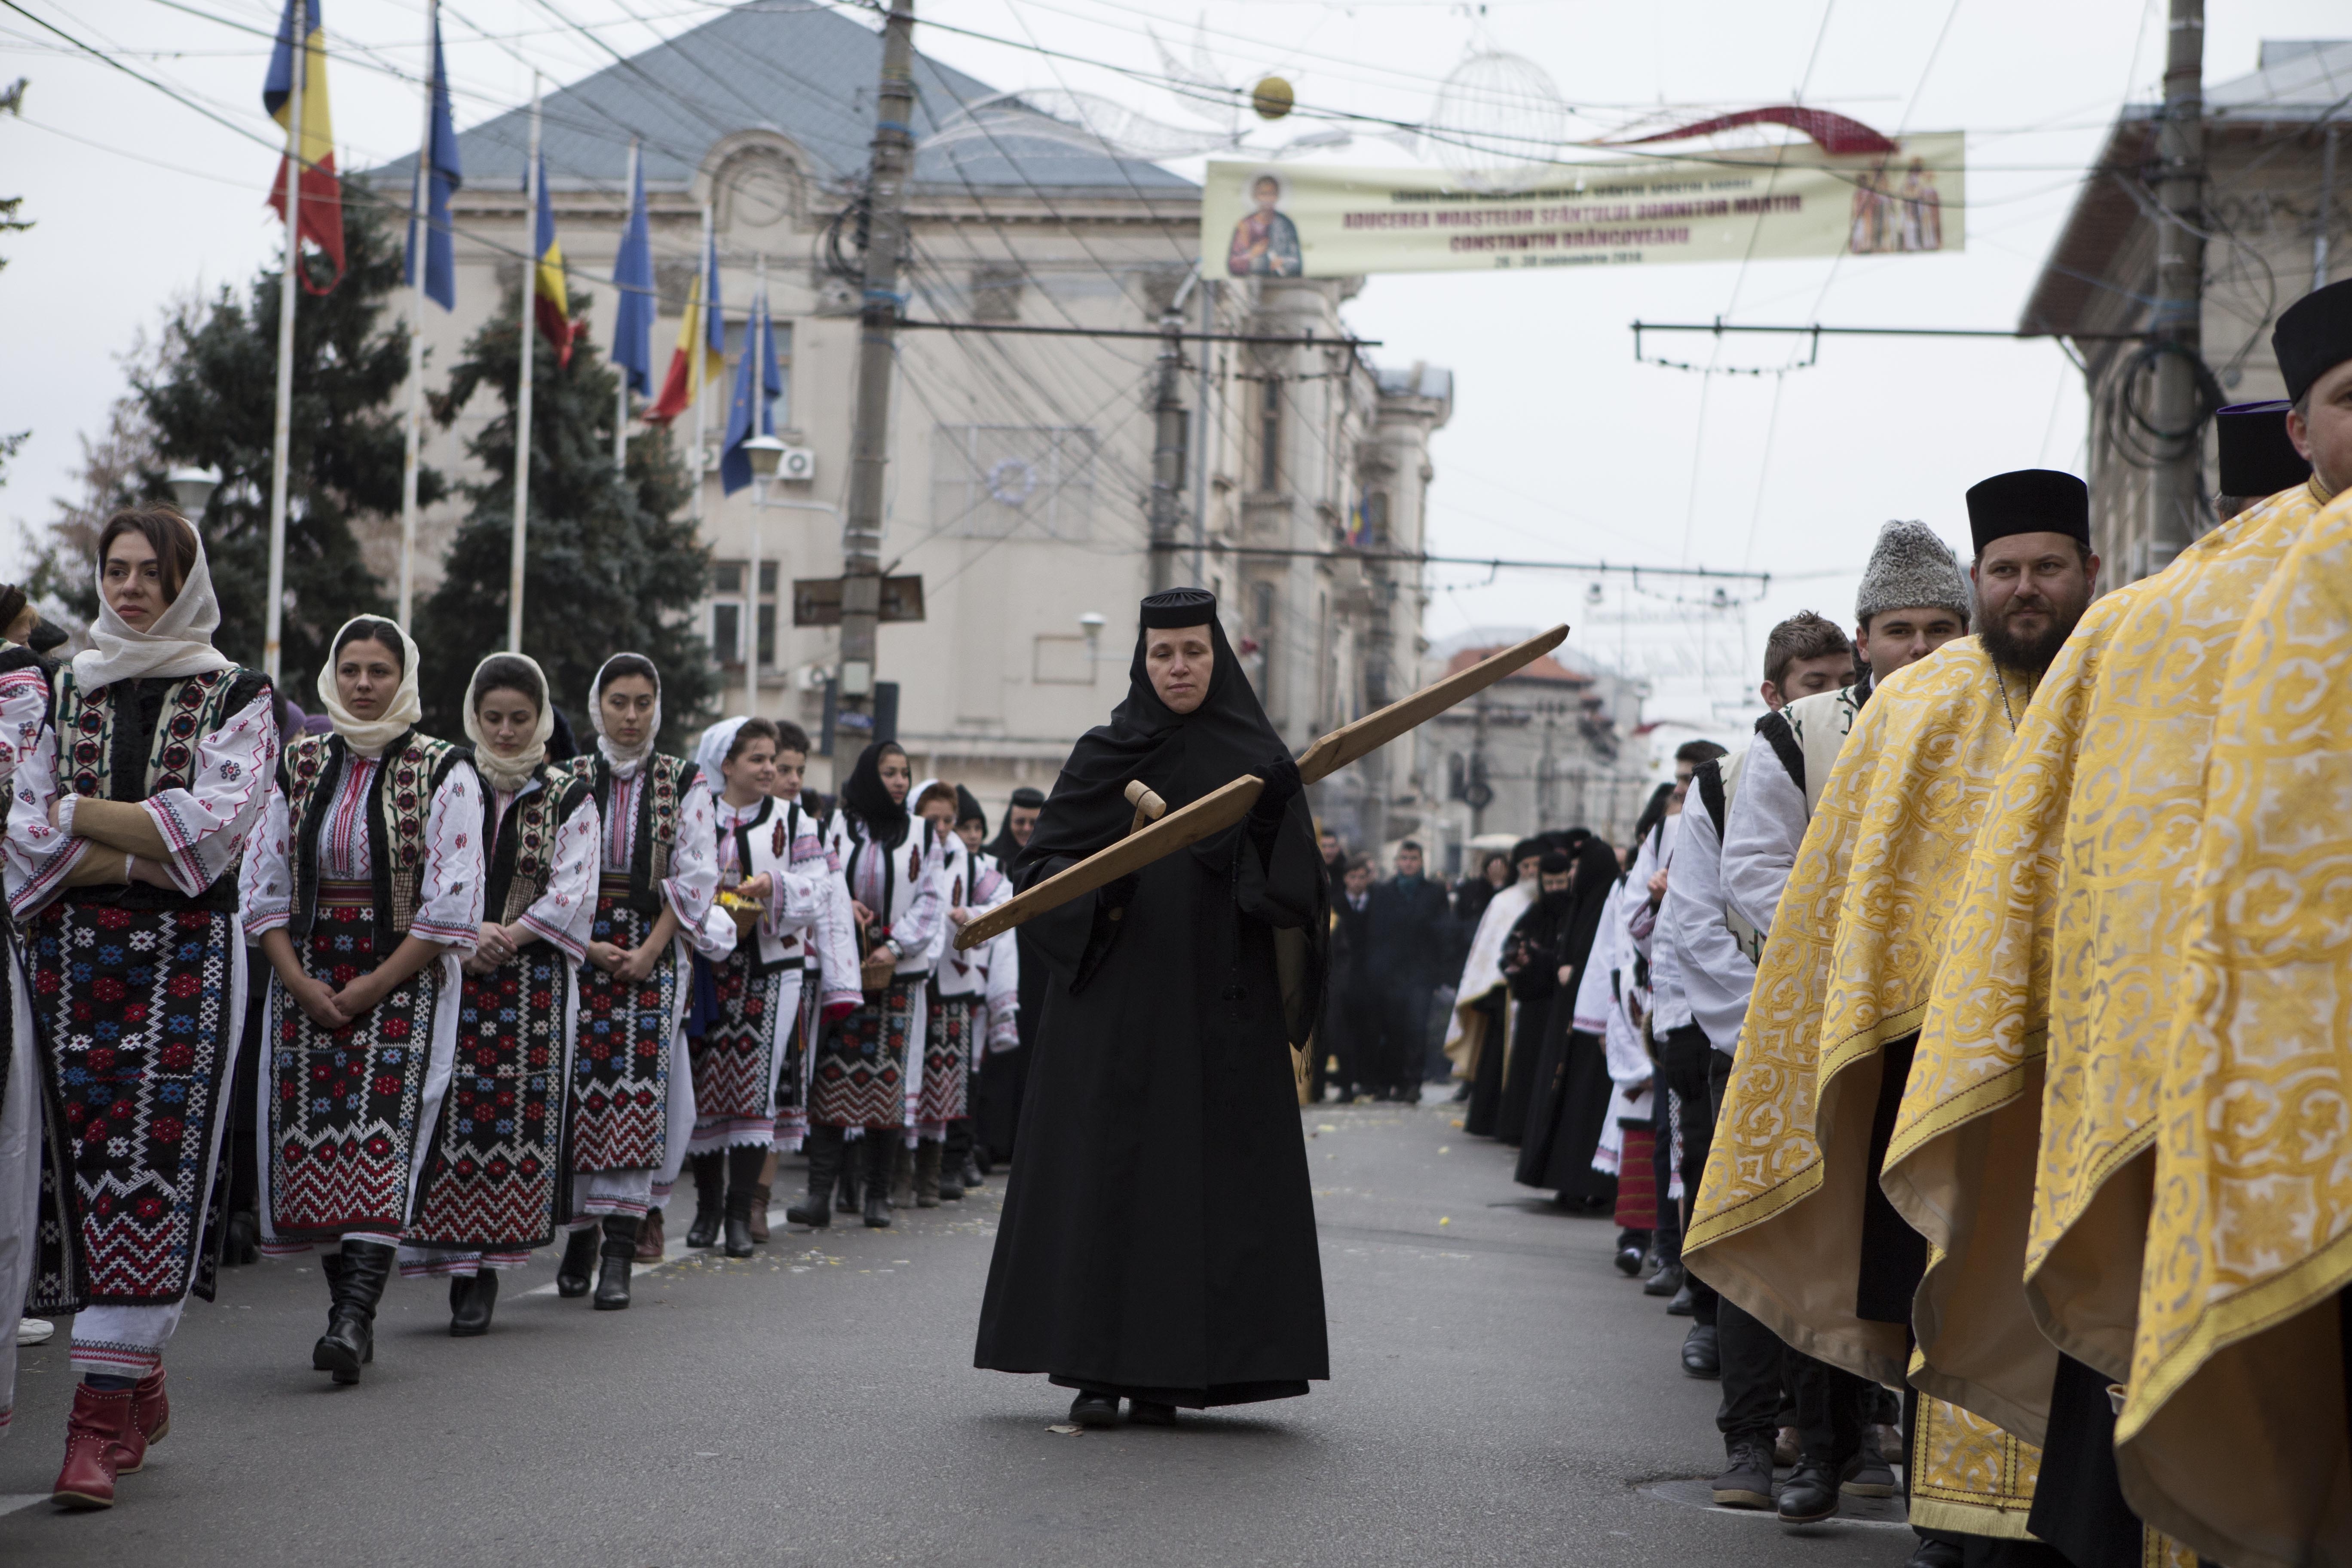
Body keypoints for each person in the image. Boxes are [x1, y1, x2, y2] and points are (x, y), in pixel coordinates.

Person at [1884, 287, 2352, 1568]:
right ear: (2301, 430)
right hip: (2204, 1078)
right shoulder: (2169, 626)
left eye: (2048, 567)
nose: (2027, 588)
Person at [1689, 472, 2101, 1552]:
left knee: (2061, 1273)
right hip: (1920, 1045)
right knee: (1923, 1261)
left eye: (2044, 567)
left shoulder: (2123, 683)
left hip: (2080, 1050)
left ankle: (2057, 1512)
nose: (2024, 588)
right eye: (2005, 568)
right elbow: (1826, 886)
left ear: (2085, 574)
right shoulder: (1898, 715)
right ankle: (1906, 1487)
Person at [974, 588, 1327, 1427]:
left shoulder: (1257, 756)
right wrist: (1105, 882)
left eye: (1194, 653)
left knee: (1199, 1189)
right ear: (1144, 660)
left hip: (1220, 1016)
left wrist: (1270, 822)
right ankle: (1095, 1367)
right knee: (1110, 1180)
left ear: (1217, 657)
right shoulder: (1105, 754)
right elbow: (1037, 873)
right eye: (1164, 654)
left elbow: (1297, 899)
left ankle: (1182, 1372)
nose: (1179, 668)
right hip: (1116, 1013)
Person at [1672, 554, 1969, 1516]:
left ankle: (1930, 1470)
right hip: (1810, 1027)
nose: (1920, 650)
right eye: (1899, 632)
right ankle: (1780, 1445)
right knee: (1789, 1226)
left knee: (1929, 1247)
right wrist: (1854, 973)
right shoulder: (1798, 737)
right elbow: (1751, 877)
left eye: (1939, 630)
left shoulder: (2019, 720)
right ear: (1864, 644)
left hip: (1960, 1035)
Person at [4, 510, 274, 1508]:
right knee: (66, 1167)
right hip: (67, 961)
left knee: (151, 1165)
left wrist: (77, 819)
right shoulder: (64, 685)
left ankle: (93, 1420)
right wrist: (128, 847)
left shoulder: (237, 695)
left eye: (149, 574)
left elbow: (207, 833)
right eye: (114, 571)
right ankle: (135, 1372)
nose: (127, 589)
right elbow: (19, 831)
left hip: (189, 967)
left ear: (184, 582)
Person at [242, 617, 484, 1386]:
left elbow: (453, 898)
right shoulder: (299, 761)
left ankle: (352, 1316)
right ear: (332, 675)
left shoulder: (445, 768)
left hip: (401, 974)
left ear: (404, 677)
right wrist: (297, 981)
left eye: (380, 669)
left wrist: (377, 982)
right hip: (306, 971)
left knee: (383, 1137)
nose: (364, 684)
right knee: (313, 1143)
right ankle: (346, 1309)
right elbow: (265, 879)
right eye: (351, 669)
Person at [396, 654, 597, 1334]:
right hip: (449, 964)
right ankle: (458, 1264)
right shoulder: (447, 782)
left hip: (531, 979)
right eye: (493, 719)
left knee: (509, 1117)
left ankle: (486, 1266)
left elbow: (573, 889)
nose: (506, 732)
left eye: (520, 718)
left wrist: (505, 936)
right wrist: (465, 932)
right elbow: (425, 864)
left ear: (541, 718)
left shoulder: (569, 794)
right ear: (472, 718)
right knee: (448, 1109)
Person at [558, 654, 728, 1303]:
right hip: (579, 945)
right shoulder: (569, 777)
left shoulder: (684, 782)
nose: (631, 716)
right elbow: (556, 869)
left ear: (658, 707)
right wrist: (590, 944)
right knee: (579, 1086)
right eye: (619, 702)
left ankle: (621, 1253)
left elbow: (697, 876)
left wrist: (652, 950)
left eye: (643, 703)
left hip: (654, 953)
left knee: (637, 1093)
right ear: (598, 703)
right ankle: (579, 1237)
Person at [678, 718, 847, 1254]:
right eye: (757, 759)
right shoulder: (698, 812)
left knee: (752, 1087)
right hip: (708, 965)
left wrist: (775, 884)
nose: (770, 768)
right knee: (705, 1085)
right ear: (727, 765)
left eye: (772, 758)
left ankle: (737, 1213)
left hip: (772, 968)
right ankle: (706, 1210)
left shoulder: (793, 819)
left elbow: (821, 888)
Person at [808, 741, 945, 1230]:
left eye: (905, 773)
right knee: (830, 1077)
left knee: (885, 1083)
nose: (899, 782)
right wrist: (846, 910)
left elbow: (932, 899)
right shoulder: (837, 827)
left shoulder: (924, 834)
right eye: (889, 773)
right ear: (870, 775)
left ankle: (877, 1197)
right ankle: (820, 1194)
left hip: (896, 975)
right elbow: (822, 879)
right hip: (843, 971)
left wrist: (895, 946)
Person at [1510, 835, 1630, 1202]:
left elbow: (1610, 961)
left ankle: (1589, 1185)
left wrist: (1574, 974)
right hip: (1570, 1018)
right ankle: (1567, 1181)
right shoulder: (1581, 904)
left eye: (1578, 869)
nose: (1572, 874)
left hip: (1595, 1024)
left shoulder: (1606, 903)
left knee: (1586, 1105)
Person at [926, 784, 1019, 1203]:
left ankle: (955, 1159)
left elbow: (1003, 910)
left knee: (961, 1074)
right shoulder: (928, 858)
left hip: (968, 987)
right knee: (925, 1075)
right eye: (962, 825)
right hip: (923, 980)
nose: (967, 833)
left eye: (972, 825)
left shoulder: (982, 869)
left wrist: (972, 915)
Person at [1459, 838, 1545, 1135]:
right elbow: (1487, 951)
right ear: (1517, 870)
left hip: (1536, 996)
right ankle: (1489, 1120)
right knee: (1495, 1062)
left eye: (1537, 865)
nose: (1533, 872)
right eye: (1527, 866)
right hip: (1503, 994)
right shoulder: (1504, 901)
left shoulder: (1552, 901)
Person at [977, 785, 1045, 1163]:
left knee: (1032, 1052)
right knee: (998, 1058)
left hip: (1037, 974)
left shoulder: (1051, 858)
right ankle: (991, 1140)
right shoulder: (992, 861)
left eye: (1033, 823)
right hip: (999, 973)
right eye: (1019, 821)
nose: (1024, 829)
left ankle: (1023, 1143)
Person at [1363, 840, 1450, 1101]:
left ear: (1421, 862)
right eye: (1404, 858)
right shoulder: (1383, 892)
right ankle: (1387, 1082)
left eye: (1413, 859)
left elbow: (1443, 933)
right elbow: (1375, 934)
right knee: (1390, 1028)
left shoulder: (1434, 893)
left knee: (1416, 1028)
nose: (1409, 863)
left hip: (1421, 974)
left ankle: (1412, 1082)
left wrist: (1438, 973)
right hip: (1390, 974)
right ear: (1397, 862)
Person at [1323, 854, 1377, 1101]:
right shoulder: (1334, 906)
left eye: (1361, 877)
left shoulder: (1376, 904)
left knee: (1368, 1031)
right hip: (1341, 978)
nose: (1357, 882)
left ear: (1369, 879)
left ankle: (1368, 1081)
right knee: (1340, 1032)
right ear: (1345, 879)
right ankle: (1345, 1084)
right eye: (1352, 877)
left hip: (1369, 977)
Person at [1226, 173, 1302, 277]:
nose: (1267, 199)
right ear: (1255, 196)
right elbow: (1233, 264)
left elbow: (1297, 262)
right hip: (1252, 282)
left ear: (1277, 196)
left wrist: (1283, 261)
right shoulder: (1246, 225)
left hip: (1282, 283)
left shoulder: (1286, 224)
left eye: (1272, 194)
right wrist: (1252, 254)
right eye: (1263, 194)